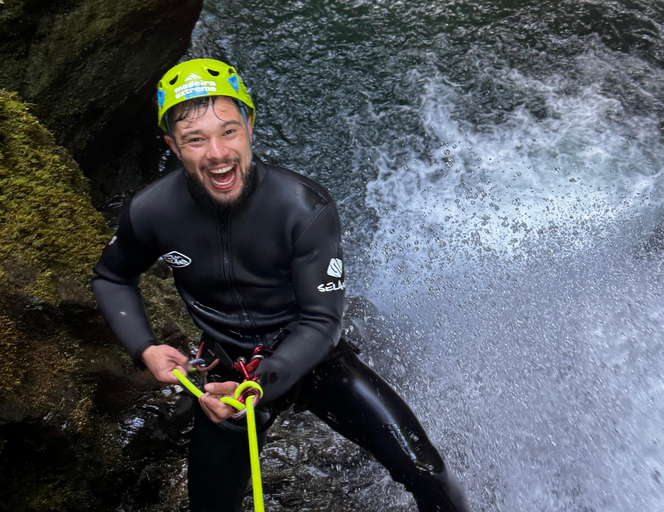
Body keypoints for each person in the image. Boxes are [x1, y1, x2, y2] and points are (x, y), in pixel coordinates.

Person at [92, 58, 469, 512]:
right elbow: (112, 276)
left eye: (228, 131)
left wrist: (260, 386)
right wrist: (146, 348)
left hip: (313, 360)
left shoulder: (301, 207)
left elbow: (321, 319)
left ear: (249, 126)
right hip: (225, 369)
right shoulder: (152, 212)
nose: (216, 154)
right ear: (173, 145)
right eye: (195, 139)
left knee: (427, 473)